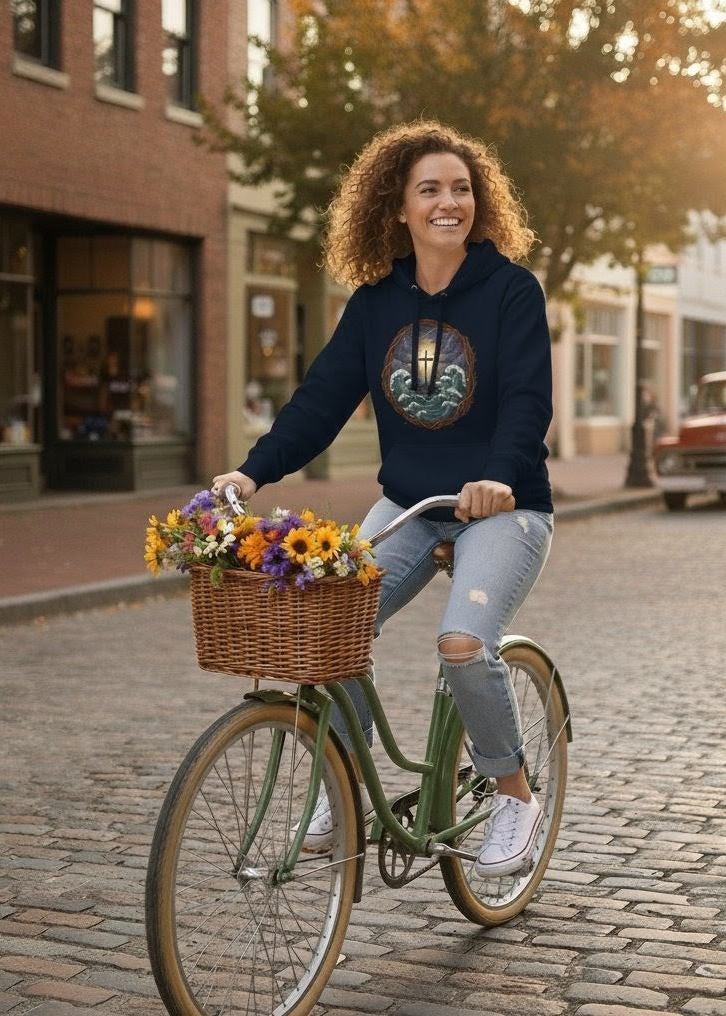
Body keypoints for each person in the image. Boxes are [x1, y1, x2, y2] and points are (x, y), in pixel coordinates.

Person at [212, 120, 554, 878]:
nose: (448, 203)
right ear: (397, 207)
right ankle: (348, 793)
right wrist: (251, 471)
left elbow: (528, 402)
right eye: (429, 189)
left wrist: (499, 474)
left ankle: (513, 793)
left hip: (505, 508)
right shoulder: (374, 304)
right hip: (409, 503)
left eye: (461, 189)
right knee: (323, 627)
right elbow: (320, 401)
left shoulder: (510, 292)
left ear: (479, 201)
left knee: (464, 643)